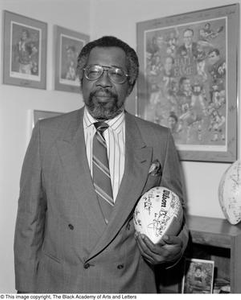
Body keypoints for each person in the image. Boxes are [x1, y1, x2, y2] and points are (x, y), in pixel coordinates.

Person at [14, 36, 189, 293]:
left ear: (130, 84)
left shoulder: (158, 139)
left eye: (117, 73)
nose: (104, 82)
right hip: (63, 285)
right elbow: (29, 223)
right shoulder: (46, 134)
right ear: (81, 79)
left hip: (131, 286)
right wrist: (26, 293)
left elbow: (178, 215)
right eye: (94, 71)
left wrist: (177, 246)